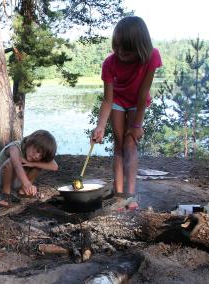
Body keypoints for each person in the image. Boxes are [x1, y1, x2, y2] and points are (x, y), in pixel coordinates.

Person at [91, 16, 162, 210]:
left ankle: (131, 196)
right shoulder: (109, 63)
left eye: (126, 49)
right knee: (119, 143)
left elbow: (142, 94)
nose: (120, 53)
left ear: (139, 47)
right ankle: (119, 195)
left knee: (131, 143)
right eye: (117, 46)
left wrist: (136, 125)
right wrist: (100, 126)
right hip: (118, 101)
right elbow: (108, 99)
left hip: (138, 102)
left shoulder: (152, 57)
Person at [0, 130, 59, 207]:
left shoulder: (35, 157)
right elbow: (17, 165)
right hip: (1, 178)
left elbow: (55, 166)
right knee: (11, 161)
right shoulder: (15, 147)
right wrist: (27, 183)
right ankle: (5, 194)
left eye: (41, 155)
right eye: (37, 151)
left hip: (18, 180)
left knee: (39, 164)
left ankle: (23, 191)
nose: (37, 156)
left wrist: (32, 163)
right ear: (30, 141)